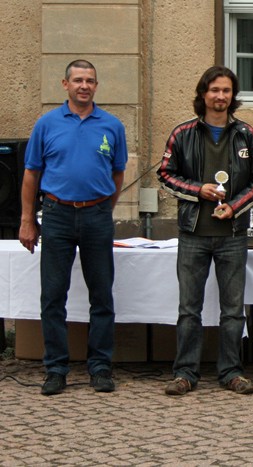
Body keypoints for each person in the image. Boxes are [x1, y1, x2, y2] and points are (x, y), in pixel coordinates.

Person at [158, 65, 253, 396]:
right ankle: (185, 373)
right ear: (203, 94)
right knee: (188, 309)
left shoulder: (247, 134)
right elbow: (165, 174)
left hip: (232, 234)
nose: (221, 96)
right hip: (193, 232)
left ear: (233, 96)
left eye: (226, 91)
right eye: (215, 90)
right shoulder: (183, 134)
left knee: (233, 311)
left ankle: (232, 371)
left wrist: (235, 206)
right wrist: (198, 190)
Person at [19, 59, 128, 395]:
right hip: (56, 214)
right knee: (53, 296)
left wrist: (102, 209)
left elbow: (117, 173)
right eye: (78, 80)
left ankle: (100, 367)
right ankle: (56, 369)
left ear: (96, 86)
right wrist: (26, 220)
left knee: (102, 295)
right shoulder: (47, 124)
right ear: (64, 84)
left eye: (90, 81)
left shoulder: (112, 125)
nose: (85, 85)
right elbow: (31, 174)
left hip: (96, 216)